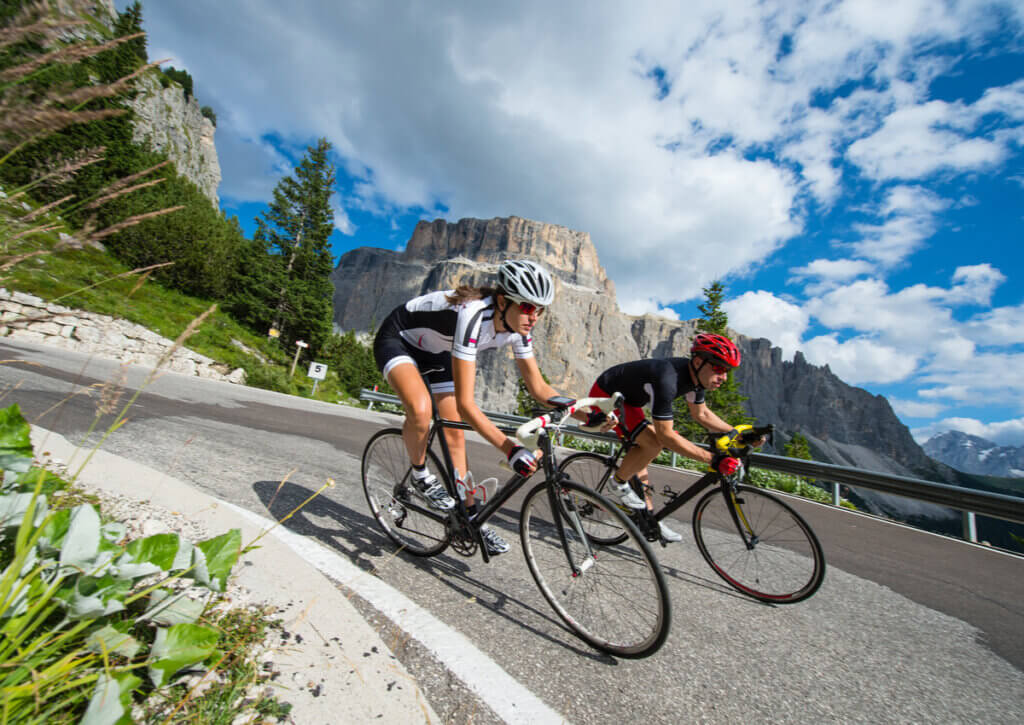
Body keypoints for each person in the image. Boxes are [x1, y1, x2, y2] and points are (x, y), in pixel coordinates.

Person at [372, 259, 575, 555]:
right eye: (529, 307)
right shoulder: (473, 313)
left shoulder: (519, 329)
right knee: (421, 408)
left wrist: (582, 410)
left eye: (541, 310)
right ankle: (420, 476)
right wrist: (511, 448)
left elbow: (539, 388)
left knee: (454, 435)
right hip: (400, 340)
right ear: (504, 301)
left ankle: (472, 519)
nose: (535, 317)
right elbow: (467, 404)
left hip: (440, 352)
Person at [585, 332, 756, 542]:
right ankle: (618, 482)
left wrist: (738, 433)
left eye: (727, 371)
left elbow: (701, 414)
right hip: (609, 394)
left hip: (630, 401)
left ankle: (648, 518)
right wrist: (713, 459)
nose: (724, 377)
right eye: (719, 368)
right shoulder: (668, 378)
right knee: (652, 444)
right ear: (699, 361)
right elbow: (665, 435)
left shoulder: (696, 379)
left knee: (643, 456)